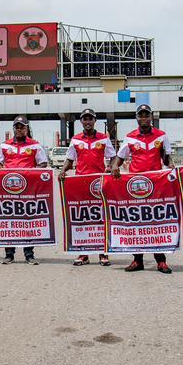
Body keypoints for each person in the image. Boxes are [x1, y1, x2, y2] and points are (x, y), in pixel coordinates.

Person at [110, 104, 174, 274]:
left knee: (156, 222)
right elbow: (120, 157)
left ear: (151, 117)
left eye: (147, 115)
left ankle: (161, 261)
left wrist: (172, 167)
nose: (144, 118)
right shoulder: (130, 137)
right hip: (135, 187)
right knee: (136, 223)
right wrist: (115, 166)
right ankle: (137, 260)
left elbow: (167, 159)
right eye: (141, 115)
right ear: (137, 118)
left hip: (156, 186)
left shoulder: (161, 136)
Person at [58, 108, 114, 266]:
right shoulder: (75, 139)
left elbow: (113, 157)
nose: (88, 121)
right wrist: (62, 171)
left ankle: (104, 253)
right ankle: (83, 254)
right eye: (85, 119)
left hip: (99, 184)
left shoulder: (104, 138)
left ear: (95, 121)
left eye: (90, 119)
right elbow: (70, 160)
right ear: (81, 121)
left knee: (101, 218)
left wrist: (111, 167)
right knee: (83, 218)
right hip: (80, 183)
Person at [0, 116, 48, 265]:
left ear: (26, 128)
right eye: (17, 127)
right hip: (8, 189)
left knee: (27, 221)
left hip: (28, 189)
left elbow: (43, 163)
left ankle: (29, 254)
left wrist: (32, 173)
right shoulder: (4, 145)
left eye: (22, 127)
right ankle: (9, 254)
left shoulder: (35, 145)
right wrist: (1, 169)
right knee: (9, 221)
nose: (19, 129)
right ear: (14, 128)